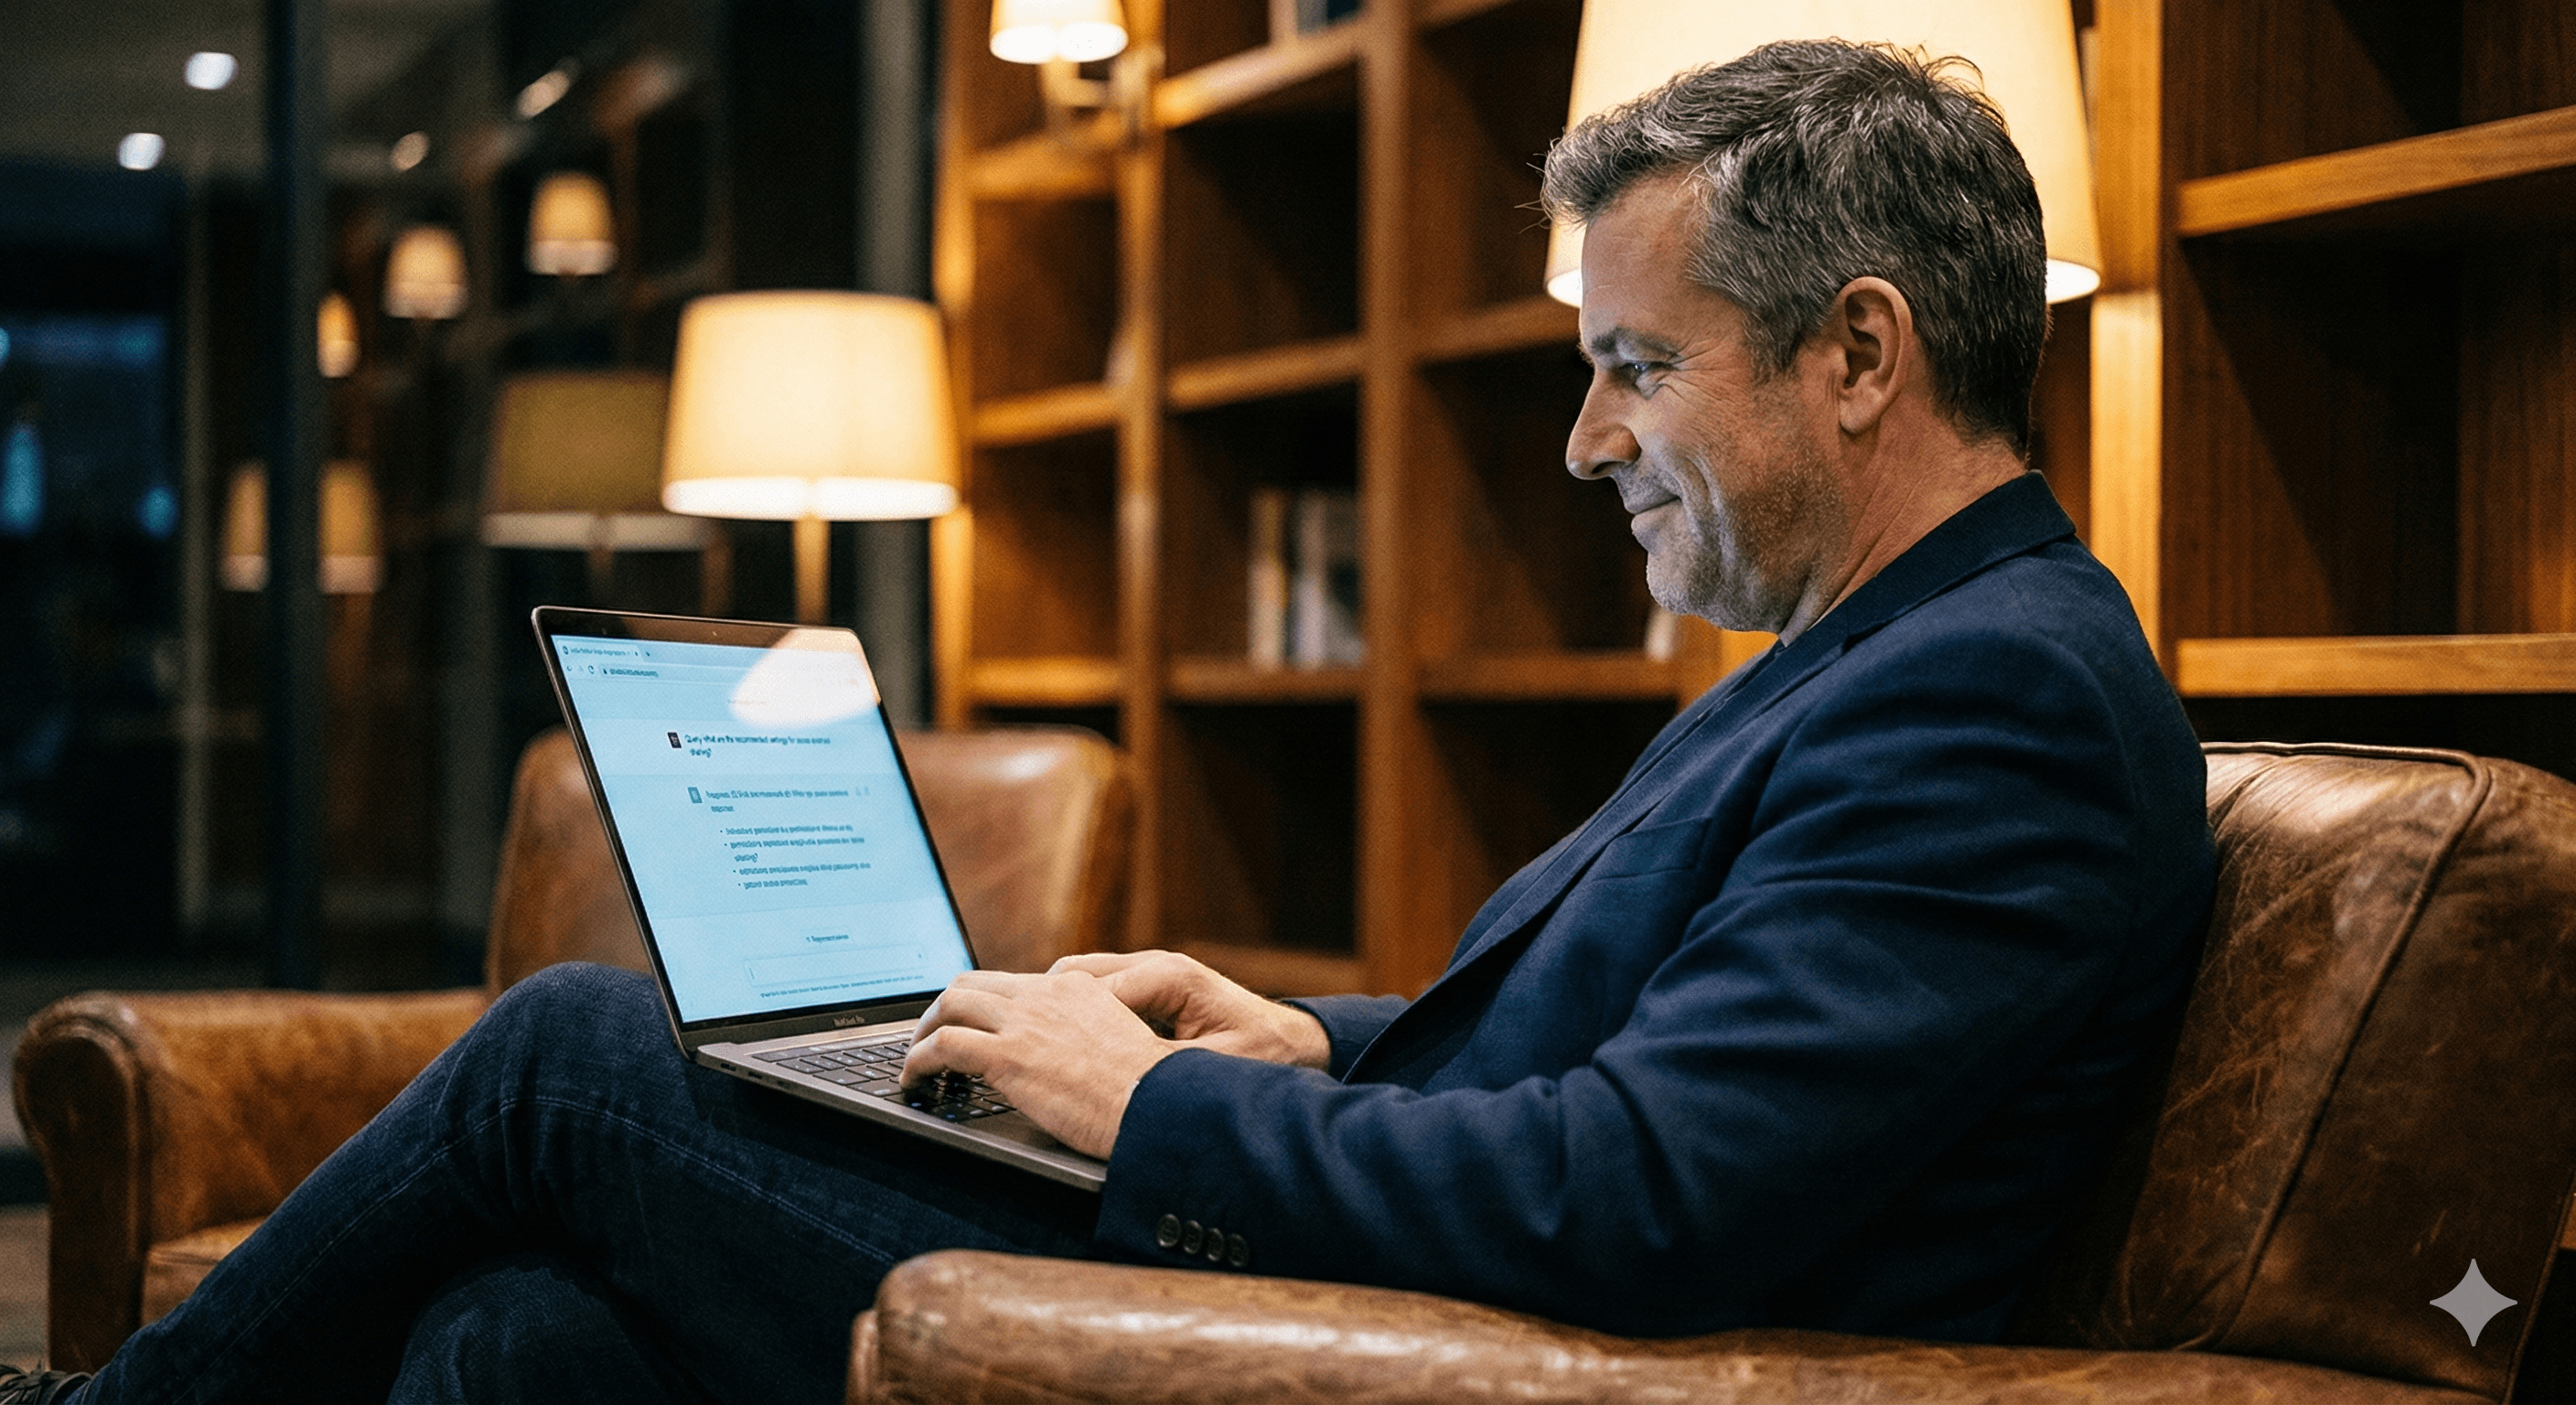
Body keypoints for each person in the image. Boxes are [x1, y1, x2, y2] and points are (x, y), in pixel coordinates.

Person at [6, 38, 2214, 1405]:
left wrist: (1140, 1114)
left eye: (1634, 364)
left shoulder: (1993, 698)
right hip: (1408, 1297)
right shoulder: (1881, 653)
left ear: (1856, 350)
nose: (1577, 442)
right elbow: (1652, 1072)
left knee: (573, 1057)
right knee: (519, 1342)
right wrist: (1302, 1038)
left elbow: (1645, 1200)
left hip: (1441, 1366)